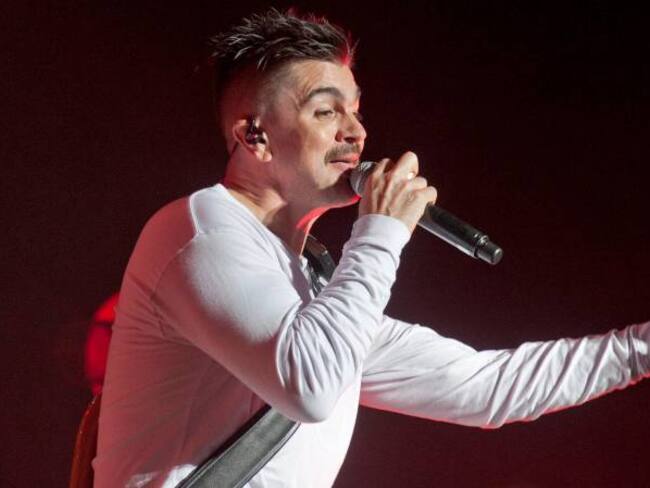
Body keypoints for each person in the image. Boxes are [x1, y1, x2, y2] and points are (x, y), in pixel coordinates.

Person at [94, 8, 650, 487]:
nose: (357, 132)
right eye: (326, 111)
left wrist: (640, 350)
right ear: (254, 136)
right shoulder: (199, 231)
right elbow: (309, 386)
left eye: (356, 110)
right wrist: (381, 231)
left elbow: (487, 388)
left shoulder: (310, 286)